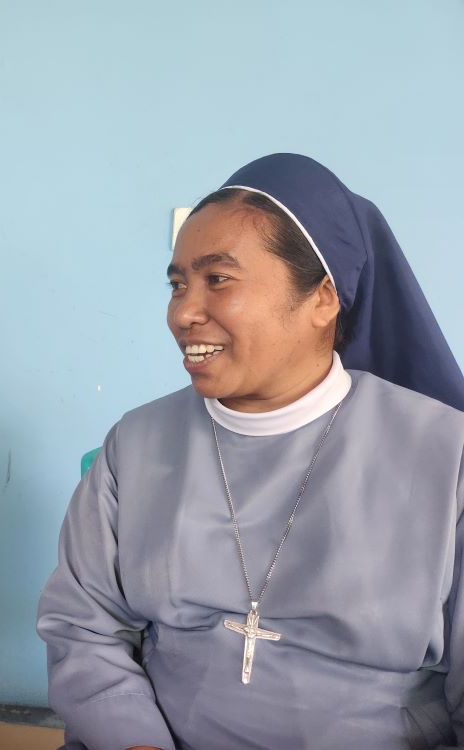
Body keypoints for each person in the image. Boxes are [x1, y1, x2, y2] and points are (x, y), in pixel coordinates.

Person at [37, 153, 464, 750]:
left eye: (218, 280)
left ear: (322, 299)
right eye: (178, 283)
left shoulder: (447, 458)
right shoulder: (134, 446)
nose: (184, 312)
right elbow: (84, 629)